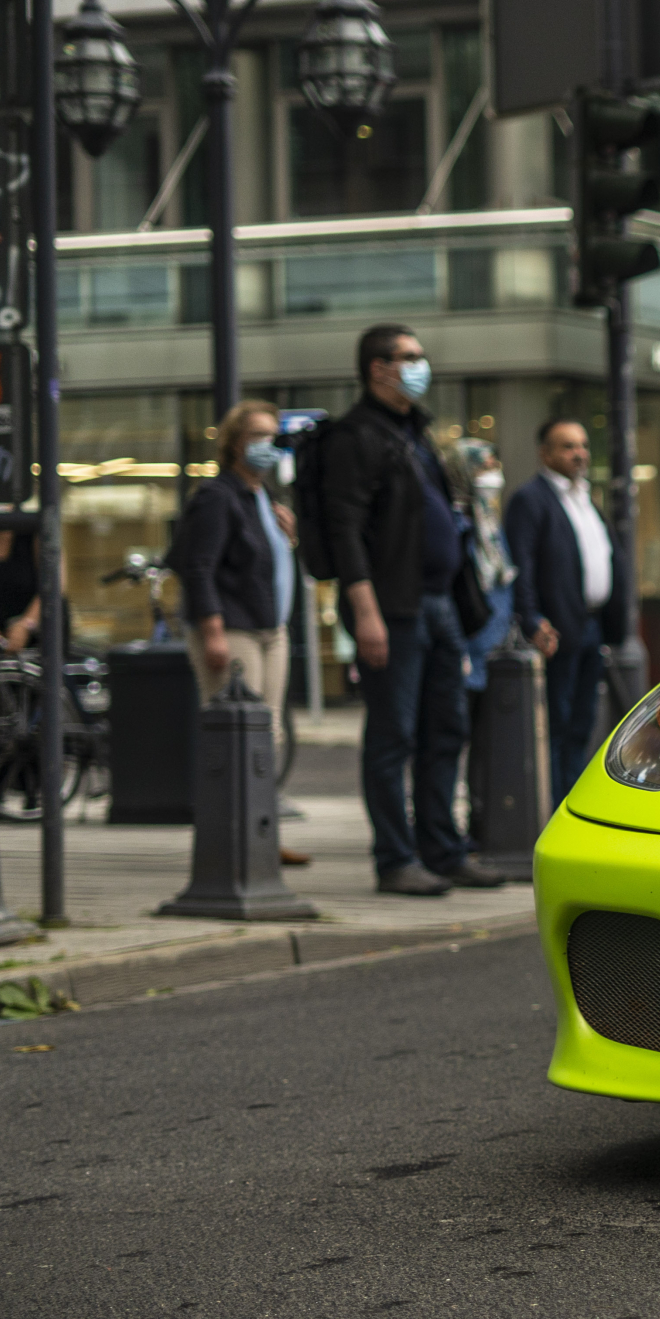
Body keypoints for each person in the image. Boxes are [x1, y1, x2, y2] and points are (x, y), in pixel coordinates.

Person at [320, 323, 503, 897]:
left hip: (439, 603)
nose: (421, 366)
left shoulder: (416, 434)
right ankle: (395, 859)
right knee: (394, 735)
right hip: (392, 609)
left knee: (444, 730)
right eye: (409, 357)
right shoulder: (354, 437)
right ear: (378, 368)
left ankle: (442, 851)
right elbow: (344, 529)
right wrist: (364, 613)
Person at [180, 398, 309, 866]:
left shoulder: (260, 499)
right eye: (257, 436)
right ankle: (230, 839)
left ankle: (260, 836)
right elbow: (199, 567)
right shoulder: (218, 497)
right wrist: (212, 630)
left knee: (266, 736)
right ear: (234, 443)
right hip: (233, 629)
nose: (267, 446)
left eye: (273, 437)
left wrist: (285, 535)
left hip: (269, 629)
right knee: (235, 735)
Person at [504, 419, 630, 792]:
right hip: (557, 630)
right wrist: (532, 620)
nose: (579, 454)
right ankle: (556, 805)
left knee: (582, 725)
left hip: (591, 626)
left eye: (583, 446)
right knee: (557, 725)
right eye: (567, 447)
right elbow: (521, 567)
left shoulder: (584, 496)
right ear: (545, 454)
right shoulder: (531, 499)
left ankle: (571, 800)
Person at [449, 438, 519, 841]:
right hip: (464, 649)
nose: (492, 473)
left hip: (494, 649)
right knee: (454, 739)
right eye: (483, 466)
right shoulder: (457, 522)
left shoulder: (490, 523)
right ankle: (449, 824)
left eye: (494, 463)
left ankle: (482, 819)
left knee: (488, 742)